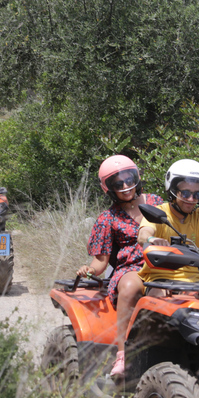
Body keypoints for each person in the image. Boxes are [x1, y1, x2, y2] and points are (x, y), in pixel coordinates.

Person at [76, 155, 163, 378]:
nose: (125, 186)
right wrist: (90, 269)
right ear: (109, 188)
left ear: (137, 177)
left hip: (165, 264)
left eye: (129, 179)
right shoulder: (107, 218)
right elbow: (101, 261)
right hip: (131, 268)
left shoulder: (156, 202)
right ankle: (122, 354)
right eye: (118, 183)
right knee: (131, 287)